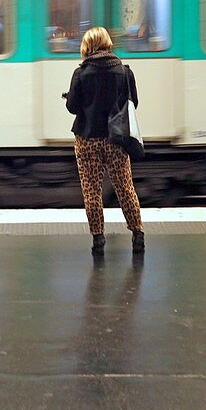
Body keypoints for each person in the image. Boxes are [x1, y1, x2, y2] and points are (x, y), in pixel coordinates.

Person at [65, 27, 144, 256]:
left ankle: (98, 240)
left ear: (87, 46)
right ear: (108, 43)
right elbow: (133, 103)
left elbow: (73, 107)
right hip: (116, 139)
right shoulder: (124, 71)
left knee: (92, 191)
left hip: (87, 139)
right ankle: (137, 235)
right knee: (125, 188)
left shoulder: (81, 73)